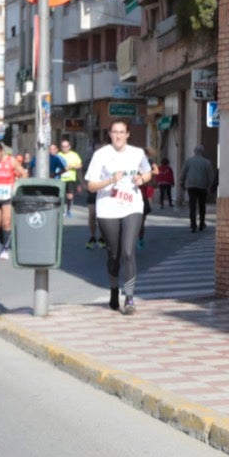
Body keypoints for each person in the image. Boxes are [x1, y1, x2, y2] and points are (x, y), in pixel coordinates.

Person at [86, 119, 154, 315]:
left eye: (122, 132)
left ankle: (130, 297)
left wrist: (142, 179)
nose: (118, 136)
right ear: (109, 134)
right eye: (114, 132)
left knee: (128, 251)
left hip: (132, 205)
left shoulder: (137, 153)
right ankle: (114, 289)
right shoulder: (101, 155)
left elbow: (148, 173)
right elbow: (91, 185)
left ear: (127, 134)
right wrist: (110, 180)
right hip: (108, 208)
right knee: (113, 255)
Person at [182, 145, 216, 233]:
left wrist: (182, 183)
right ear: (202, 151)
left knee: (192, 206)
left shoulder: (188, 161)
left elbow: (183, 173)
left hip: (191, 185)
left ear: (194, 151)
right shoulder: (207, 162)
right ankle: (201, 223)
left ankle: (193, 225)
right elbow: (211, 176)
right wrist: (210, 186)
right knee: (202, 205)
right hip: (202, 186)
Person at [59, 139, 82, 217]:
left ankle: (68, 210)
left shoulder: (74, 155)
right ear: (61, 147)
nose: (65, 148)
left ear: (69, 147)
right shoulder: (58, 155)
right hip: (60, 178)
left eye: (66, 146)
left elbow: (80, 165)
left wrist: (72, 166)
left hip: (70, 178)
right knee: (61, 195)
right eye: (63, 146)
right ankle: (61, 211)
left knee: (69, 195)